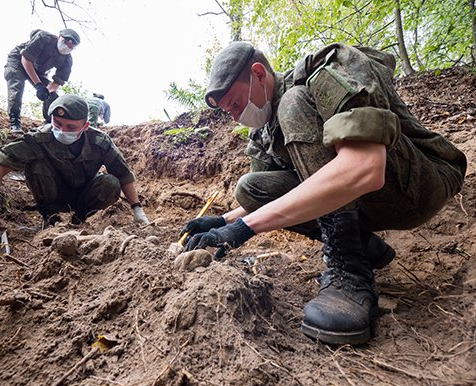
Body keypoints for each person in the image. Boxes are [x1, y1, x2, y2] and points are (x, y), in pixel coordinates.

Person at [180, 41, 467, 345]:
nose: (236, 117)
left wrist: (244, 228)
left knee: (294, 102)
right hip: (375, 197)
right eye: (229, 112)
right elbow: (269, 195)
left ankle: (350, 272)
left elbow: (364, 167)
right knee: (251, 188)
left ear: (258, 74)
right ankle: (361, 244)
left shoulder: (325, 72)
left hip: (422, 181)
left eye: (236, 104)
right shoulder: (264, 131)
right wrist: (223, 221)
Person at [0, 95, 150, 237]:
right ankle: (51, 220)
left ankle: (79, 221)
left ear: (85, 126)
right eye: (58, 123)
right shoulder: (39, 139)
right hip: (52, 195)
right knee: (35, 163)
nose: (62, 130)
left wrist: (137, 209)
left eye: (70, 127)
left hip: (84, 196)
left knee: (111, 182)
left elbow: (123, 175)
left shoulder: (99, 141)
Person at [4, 28, 81, 134]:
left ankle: (49, 123)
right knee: (17, 85)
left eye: (70, 47)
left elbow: (57, 82)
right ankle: (14, 122)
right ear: (59, 37)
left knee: (53, 97)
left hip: (39, 71)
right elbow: (26, 59)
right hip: (19, 60)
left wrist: (46, 91)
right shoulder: (44, 38)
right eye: (65, 42)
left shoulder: (67, 60)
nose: (66, 47)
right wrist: (38, 85)